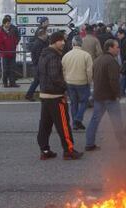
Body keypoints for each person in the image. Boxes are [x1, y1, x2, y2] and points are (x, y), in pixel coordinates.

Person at [37, 32, 83, 160]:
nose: (63, 43)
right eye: (60, 40)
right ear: (53, 42)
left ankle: (44, 150)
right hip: (55, 96)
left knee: (45, 125)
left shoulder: (43, 55)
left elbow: (39, 74)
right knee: (63, 125)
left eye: (64, 40)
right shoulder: (53, 56)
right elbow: (55, 76)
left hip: (45, 95)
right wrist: (65, 87)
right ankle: (68, 150)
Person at [85, 39, 126, 151]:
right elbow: (114, 80)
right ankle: (123, 143)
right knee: (117, 120)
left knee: (95, 120)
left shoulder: (98, 60)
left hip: (98, 95)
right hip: (109, 96)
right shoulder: (111, 61)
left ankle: (89, 143)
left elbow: (93, 76)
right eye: (117, 47)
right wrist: (117, 94)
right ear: (110, 48)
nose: (118, 49)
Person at [62, 36, 93, 130]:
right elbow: (89, 71)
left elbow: (63, 70)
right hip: (82, 82)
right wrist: (89, 81)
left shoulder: (66, 55)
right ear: (81, 44)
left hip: (69, 82)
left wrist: (65, 80)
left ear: (72, 44)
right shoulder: (86, 55)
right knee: (84, 101)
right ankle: (78, 119)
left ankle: (75, 123)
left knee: (73, 103)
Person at [0, 17, 20, 88]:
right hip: (4, 54)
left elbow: (16, 38)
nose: (9, 25)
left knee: (12, 69)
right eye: (8, 23)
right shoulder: (0, 31)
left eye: (9, 23)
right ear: (4, 24)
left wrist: (14, 44)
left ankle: (12, 83)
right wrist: (4, 50)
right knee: (5, 69)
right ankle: (5, 83)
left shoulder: (12, 30)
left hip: (12, 52)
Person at [25, 29, 49, 101]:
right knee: (40, 81)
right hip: (39, 65)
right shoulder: (39, 44)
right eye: (46, 34)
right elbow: (39, 56)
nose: (47, 35)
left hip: (38, 65)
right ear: (42, 35)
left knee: (38, 81)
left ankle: (30, 95)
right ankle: (34, 95)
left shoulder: (40, 42)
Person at [117, 29, 126, 97]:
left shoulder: (125, 41)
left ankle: (122, 91)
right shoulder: (123, 40)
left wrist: (125, 60)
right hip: (125, 61)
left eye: (119, 35)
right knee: (124, 76)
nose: (118, 36)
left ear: (123, 34)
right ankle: (122, 91)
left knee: (124, 76)